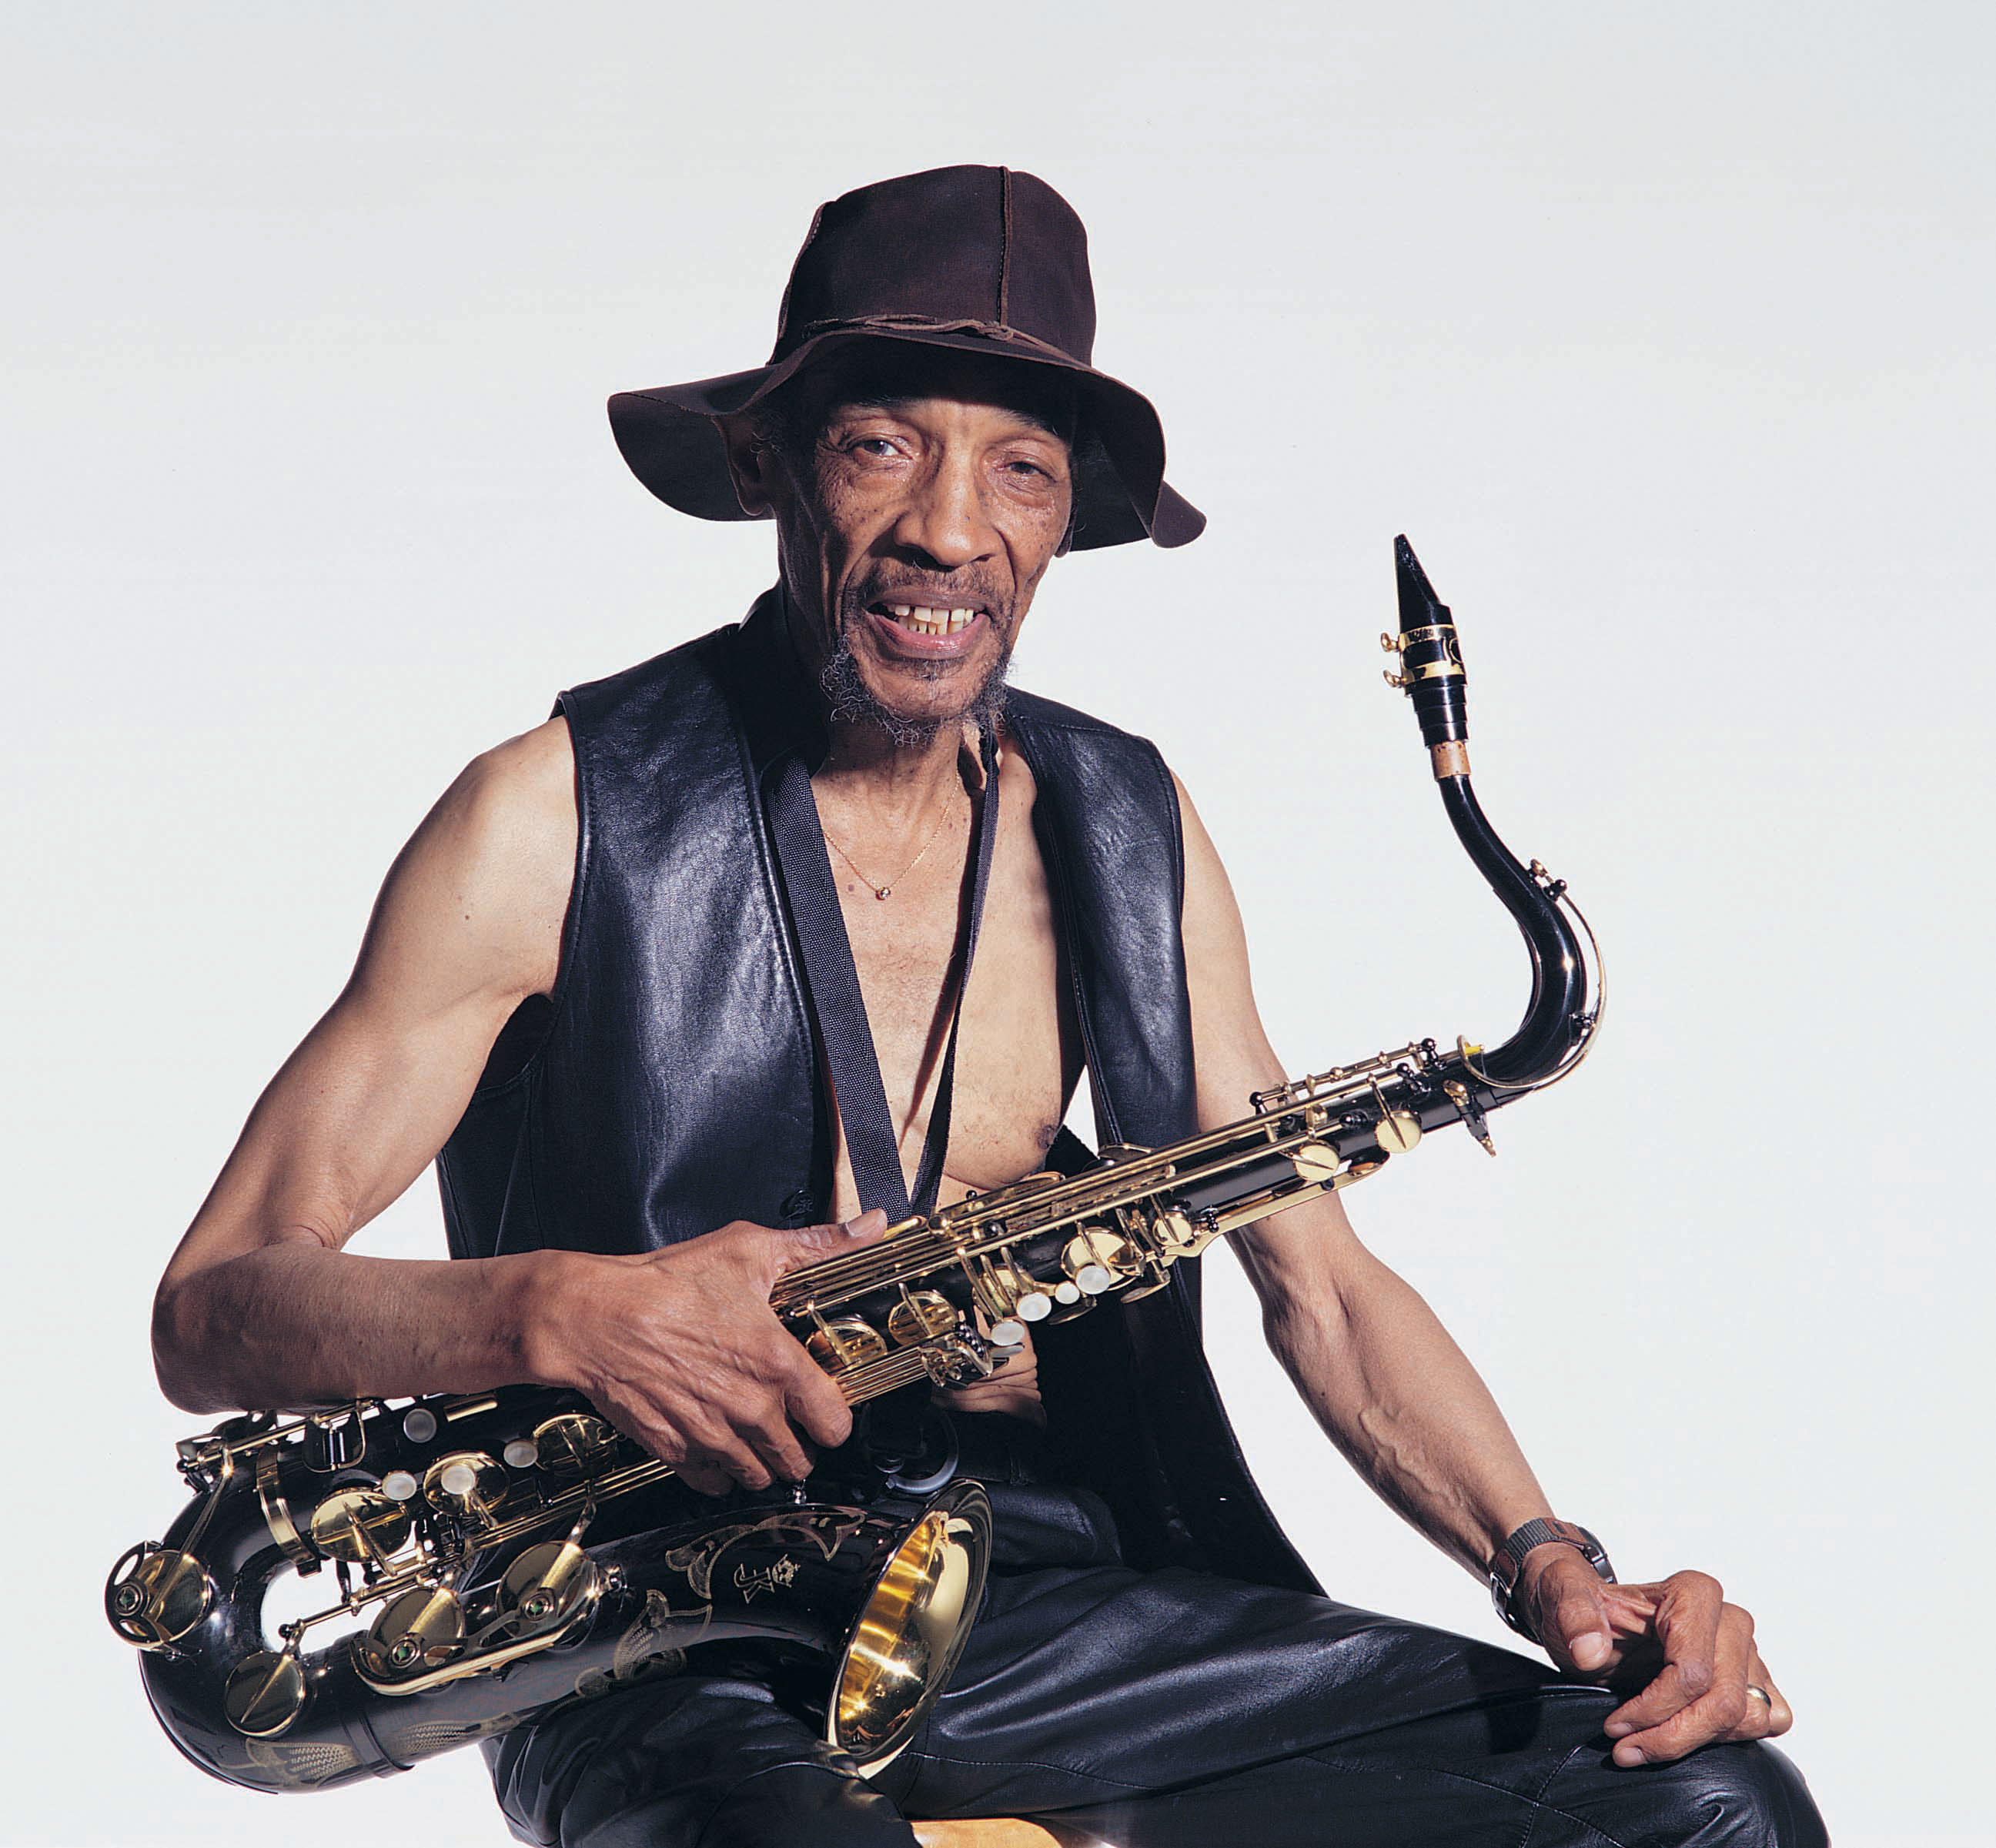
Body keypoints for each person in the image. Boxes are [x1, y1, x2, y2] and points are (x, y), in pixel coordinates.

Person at [151, 166, 1826, 1846]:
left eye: (1018, 468)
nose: (950, 530)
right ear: (768, 462)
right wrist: (556, 1312)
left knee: (1716, 1804)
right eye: (883, 445)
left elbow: (1322, 1285)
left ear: (1063, 513)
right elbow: (213, 1307)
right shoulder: (550, 813)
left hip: (1037, 1594)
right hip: (645, 1628)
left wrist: (1548, 1559)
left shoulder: (1126, 824)